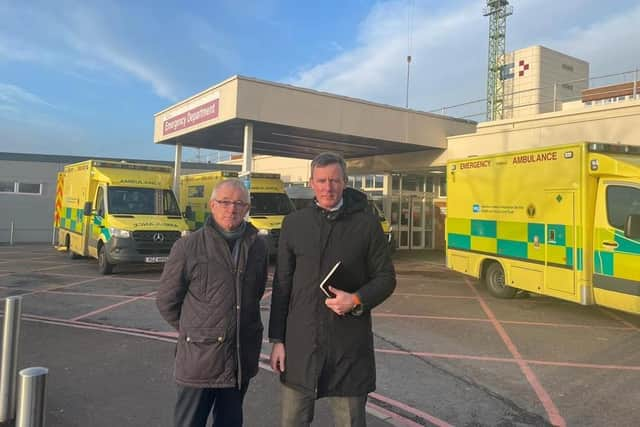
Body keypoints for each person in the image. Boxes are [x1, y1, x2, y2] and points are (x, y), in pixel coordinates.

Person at [269, 152, 396, 427]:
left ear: (345, 183)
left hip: (348, 344)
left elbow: (386, 278)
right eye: (322, 180)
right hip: (300, 343)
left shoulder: (367, 225)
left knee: (350, 421)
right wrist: (277, 340)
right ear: (311, 183)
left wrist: (357, 298)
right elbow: (282, 286)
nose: (328, 187)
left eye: (335, 181)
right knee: (292, 421)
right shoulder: (294, 224)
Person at [157, 178, 268, 427]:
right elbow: (166, 300)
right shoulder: (188, 246)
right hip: (199, 360)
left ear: (247, 208)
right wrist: (195, 330)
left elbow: (255, 293)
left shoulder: (257, 246)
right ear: (212, 205)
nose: (232, 209)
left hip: (239, 358)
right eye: (225, 202)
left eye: (240, 203)